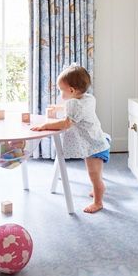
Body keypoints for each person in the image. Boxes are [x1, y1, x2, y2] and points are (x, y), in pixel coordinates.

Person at [31, 64, 109, 214]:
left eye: (61, 90)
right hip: (98, 141)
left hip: (93, 147)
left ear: (72, 91)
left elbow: (66, 123)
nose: (61, 93)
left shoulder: (74, 103)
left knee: (94, 176)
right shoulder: (89, 98)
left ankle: (98, 202)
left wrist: (45, 125)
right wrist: (60, 108)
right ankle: (98, 188)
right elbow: (77, 109)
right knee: (96, 175)